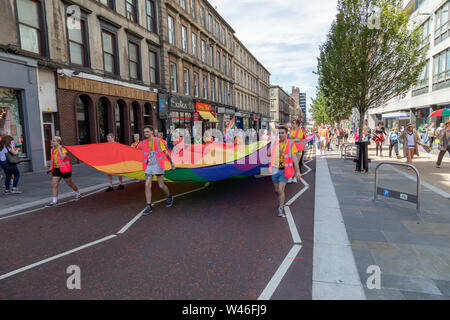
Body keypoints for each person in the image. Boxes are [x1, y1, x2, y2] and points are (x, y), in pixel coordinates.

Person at [139, 126, 176, 215]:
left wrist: (172, 163)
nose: (145, 134)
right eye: (144, 132)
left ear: (152, 132)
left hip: (158, 165)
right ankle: (149, 206)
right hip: (149, 166)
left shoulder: (158, 141)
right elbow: (135, 151)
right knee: (147, 184)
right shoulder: (143, 143)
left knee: (161, 185)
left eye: (147, 132)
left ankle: (169, 196)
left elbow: (166, 153)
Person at [268, 126, 302, 218]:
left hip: (285, 170)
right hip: (275, 170)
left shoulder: (290, 144)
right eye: (279, 133)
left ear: (286, 134)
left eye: (282, 133)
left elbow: (294, 158)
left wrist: (297, 171)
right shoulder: (276, 143)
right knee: (276, 190)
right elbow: (268, 153)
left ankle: (280, 208)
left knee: (280, 189)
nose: (280, 134)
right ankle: (281, 200)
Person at [46, 136, 80, 206]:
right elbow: (53, 160)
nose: (52, 142)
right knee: (54, 185)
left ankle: (77, 192)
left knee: (70, 184)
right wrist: (51, 167)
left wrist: (59, 149)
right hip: (56, 169)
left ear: (58, 142)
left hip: (65, 169)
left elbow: (63, 158)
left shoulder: (63, 149)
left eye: (54, 141)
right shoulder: (52, 149)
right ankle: (54, 201)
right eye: (52, 141)